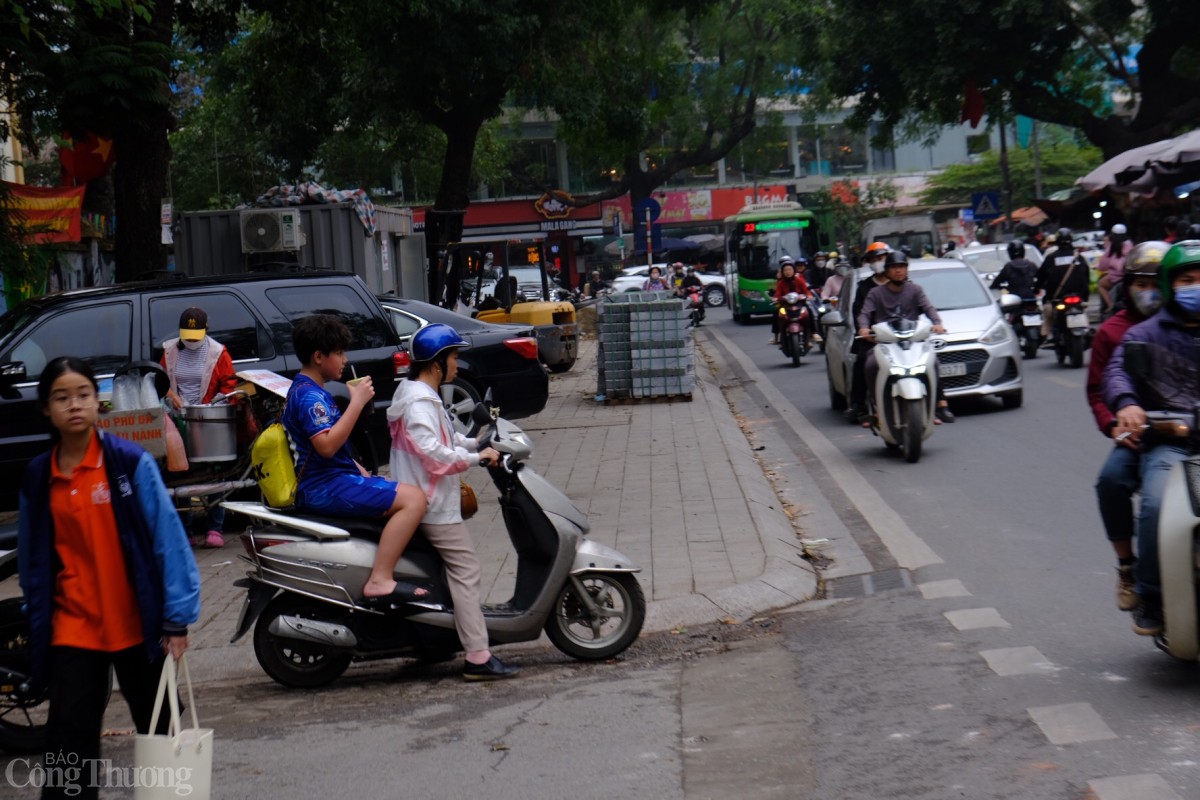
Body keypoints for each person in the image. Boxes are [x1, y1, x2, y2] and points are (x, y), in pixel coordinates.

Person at [18, 356, 201, 800]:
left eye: (83, 395)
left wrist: (177, 618)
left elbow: (168, 540)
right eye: (62, 398)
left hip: (139, 626)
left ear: (98, 404)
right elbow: (33, 559)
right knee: (68, 744)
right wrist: (35, 615)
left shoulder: (128, 463)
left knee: (162, 734)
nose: (74, 405)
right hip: (74, 629)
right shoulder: (40, 475)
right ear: (47, 409)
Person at [387, 324, 518, 681]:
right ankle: (477, 655)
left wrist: (476, 444)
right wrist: (477, 459)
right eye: (454, 357)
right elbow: (433, 454)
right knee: (466, 571)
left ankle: (437, 639)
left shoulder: (418, 395)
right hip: (432, 504)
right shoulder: (417, 404)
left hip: (425, 497)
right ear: (436, 362)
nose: (458, 365)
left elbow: (447, 437)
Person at [282, 314, 427, 604]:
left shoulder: (307, 391)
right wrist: (357, 402)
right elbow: (325, 446)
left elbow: (333, 451)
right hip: (324, 487)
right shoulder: (311, 398)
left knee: (403, 492)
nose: (344, 359)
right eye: (338, 353)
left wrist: (363, 472)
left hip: (331, 479)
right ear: (319, 356)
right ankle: (380, 579)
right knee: (415, 500)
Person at [1104, 240, 1200, 636]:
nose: (1196, 287)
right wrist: (1126, 403)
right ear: (1168, 284)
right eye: (1187, 279)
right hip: (1168, 441)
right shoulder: (1143, 334)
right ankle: (1150, 593)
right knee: (1156, 505)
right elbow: (1116, 373)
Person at [1087, 242, 1169, 613]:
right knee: (1111, 482)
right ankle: (1127, 567)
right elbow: (1100, 389)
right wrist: (1117, 424)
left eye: (1158, 281)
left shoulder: (1186, 324)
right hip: (1142, 437)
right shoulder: (1114, 332)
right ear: (1128, 284)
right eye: (1141, 281)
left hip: (1189, 432)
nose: (1149, 289)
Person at [160, 306, 240, 548]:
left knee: (212, 471)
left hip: (207, 419)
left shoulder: (217, 352)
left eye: (196, 336)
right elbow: (159, 380)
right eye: (188, 336)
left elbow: (230, 385)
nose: (192, 341)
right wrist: (170, 395)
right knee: (180, 473)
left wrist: (216, 402)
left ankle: (215, 527)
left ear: (206, 331)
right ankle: (185, 530)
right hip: (178, 419)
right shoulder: (170, 351)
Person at [856, 250, 955, 425]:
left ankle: (938, 405)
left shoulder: (916, 290)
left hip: (913, 343)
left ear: (907, 270)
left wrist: (937, 323)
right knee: (871, 365)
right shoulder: (875, 293)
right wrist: (863, 328)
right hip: (885, 344)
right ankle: (878, 408)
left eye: (902, 267)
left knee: (932, 362)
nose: (898, 271)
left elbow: (929, 308)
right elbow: (864, 313)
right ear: (887, 271)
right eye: (894, 267)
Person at [846, 242, 893, 419]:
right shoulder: (865, 287)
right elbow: (859, 312)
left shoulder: (903, 284)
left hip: (901, 337)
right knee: (863, 363)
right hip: (873, 338)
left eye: (881, 258)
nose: (878, 262)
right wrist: (866, 331)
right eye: (874, 260)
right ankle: (858, 404)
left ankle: (938, 402)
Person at [1036, 227, 1091, 346]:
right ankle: (1087, 332)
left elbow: (1041, 277)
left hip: (1057, 298)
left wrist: (1037, 289)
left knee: (1048, 314)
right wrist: (1086, 296)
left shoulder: (1051, 258)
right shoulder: (1079, 257)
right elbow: (1087, 277)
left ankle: (1045, 336)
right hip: (1078, 297)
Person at [769, 256, 813, 344]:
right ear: (782, 272)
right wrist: (775, 298)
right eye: (785, 270)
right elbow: (777, 293)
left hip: (799, 303)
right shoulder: (781, 282)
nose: (788, 272)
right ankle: (776, 336)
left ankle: (813, 333)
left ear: (793, 270)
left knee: (809, 312)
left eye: (789, 270)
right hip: (785, 304)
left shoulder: (799, 280)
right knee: (776, 314)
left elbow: (806, 290)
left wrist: (809, 296)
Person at [1095, 224, 1132, 313]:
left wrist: (1098, 266)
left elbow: (1102, 265)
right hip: (1127, 277)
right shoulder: (1130, 244)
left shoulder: (1112, 246)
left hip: (1115, 277)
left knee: (1101, 284)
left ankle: (1110, 304)